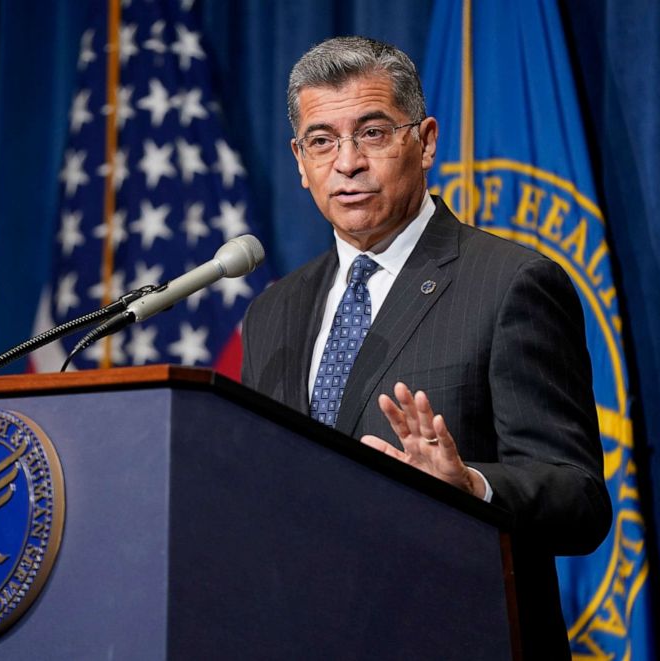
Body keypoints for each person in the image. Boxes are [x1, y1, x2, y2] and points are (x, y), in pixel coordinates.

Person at [240, 36, 612, 658]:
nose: (348, 162)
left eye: (374, 133)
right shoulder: (272, 311)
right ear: (300, 163)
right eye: (322, 141)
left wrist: (472, 488)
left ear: (426, 141)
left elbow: (579, 498)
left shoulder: (510, 283)